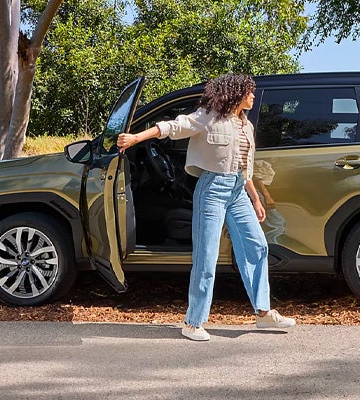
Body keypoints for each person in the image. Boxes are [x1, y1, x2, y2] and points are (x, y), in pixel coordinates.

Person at [117, 73, 296, 341]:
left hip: (237, 192)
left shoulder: (245, 126)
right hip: (212, 190)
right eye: (249, 92)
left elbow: (244, 170)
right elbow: (172, 127)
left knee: (257, 246)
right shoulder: (208, 116)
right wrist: (134, 139)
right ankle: (193, 322)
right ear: (236, 94)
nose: (253, 96)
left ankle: (263, 312)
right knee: (207, 256)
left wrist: (256, 199)